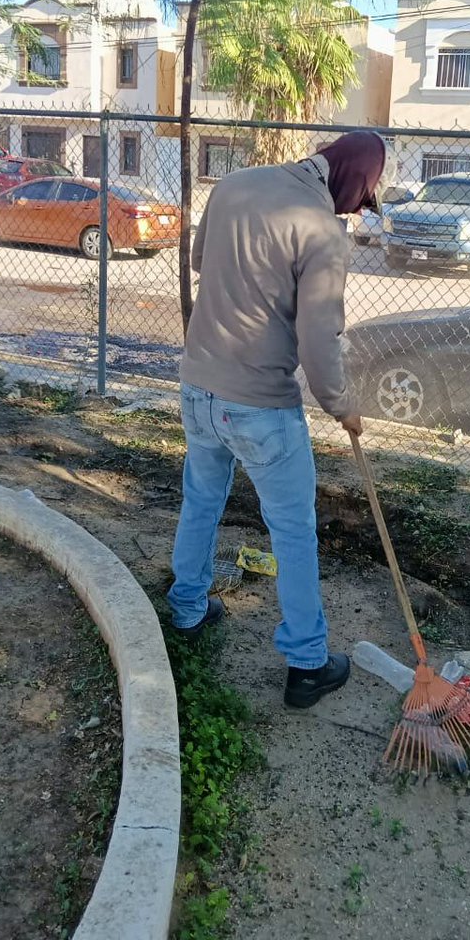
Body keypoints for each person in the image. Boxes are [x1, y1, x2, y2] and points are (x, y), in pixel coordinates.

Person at [168, 130, 396, 708]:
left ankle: (188, 609)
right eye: (360, 197)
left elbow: (199, 261)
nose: (354, 209)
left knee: (201, 499)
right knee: (293, 532)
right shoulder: (322, 233)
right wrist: (342, 404)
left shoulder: (235, 184)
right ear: (354, 178)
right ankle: (307, 663)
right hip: (261, 405)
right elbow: (320, 341)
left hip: (198, 387)